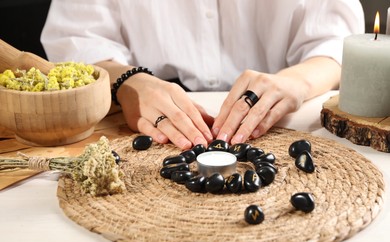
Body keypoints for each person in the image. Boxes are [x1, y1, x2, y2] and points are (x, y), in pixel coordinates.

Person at [41, 0, 365, 150]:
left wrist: (299, 80)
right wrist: (128, 82)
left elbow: (335, 41)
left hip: (282, 121)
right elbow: (75, 42)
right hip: (137, 123)